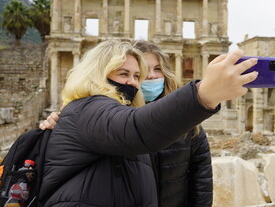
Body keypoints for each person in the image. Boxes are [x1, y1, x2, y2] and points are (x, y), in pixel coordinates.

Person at [39, 40, 258, 206]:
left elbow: (200, 180)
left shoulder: (189, 126)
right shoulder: (93, 110)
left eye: (137, 75)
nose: (136, 81)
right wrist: (203, 94)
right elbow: (137, 128)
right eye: (125, 73)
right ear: (98, 73)